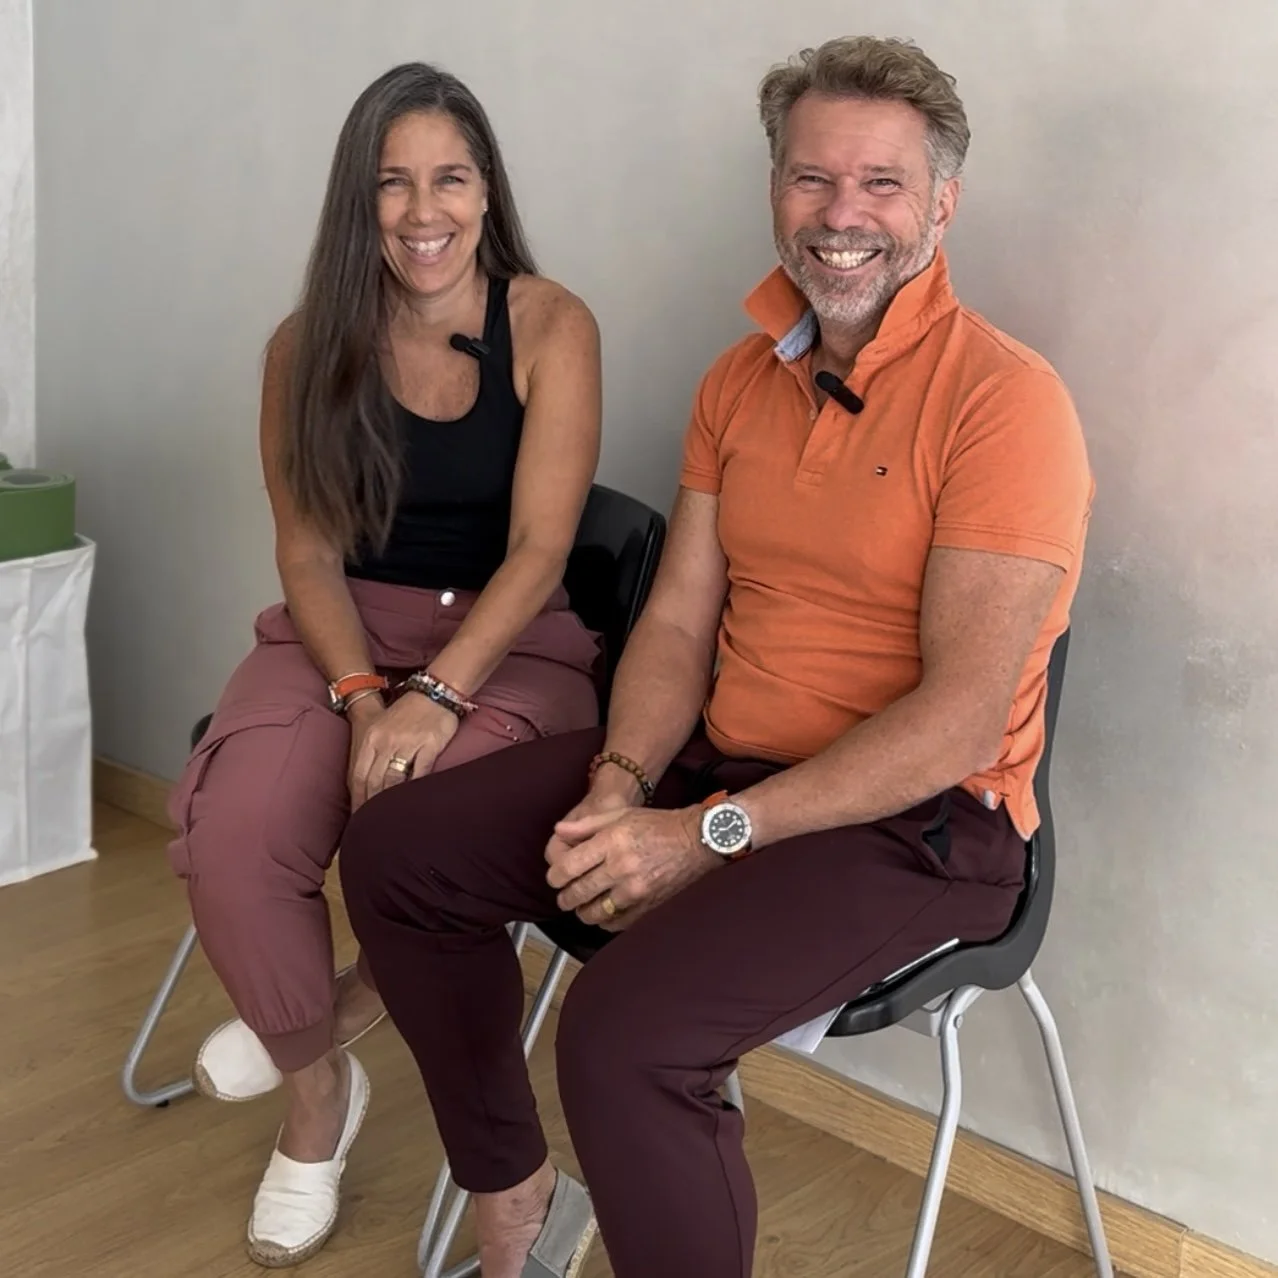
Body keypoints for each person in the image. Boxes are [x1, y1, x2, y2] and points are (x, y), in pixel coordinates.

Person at [340, 35, 1094, 1278]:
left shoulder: (1005, 403)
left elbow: (962, 721)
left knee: (622, 1034)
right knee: (398, 852)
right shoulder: (739, 381)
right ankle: (516, 1188)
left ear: (943, 204)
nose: (840, 215)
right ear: (775, 192)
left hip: (920, 823)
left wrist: (704, 836)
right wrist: (621, 784)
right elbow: (680, 624)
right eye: (810, 179)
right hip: (716, 766)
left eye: (882, 184)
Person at [164, 62, 603, 1268]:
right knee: (237, 830)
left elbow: (540, 549)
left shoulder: (552, 324)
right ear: (355, 205)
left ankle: (325, 1015)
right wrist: (364, 696)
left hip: (508, 647)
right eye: (390, 184)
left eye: (449, 177)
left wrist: (437, 698)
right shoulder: (304, 345)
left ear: (485, 189)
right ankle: (319, 1106)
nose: (423, 212)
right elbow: (305, 553)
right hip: (343, 634)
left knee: (414, 825)